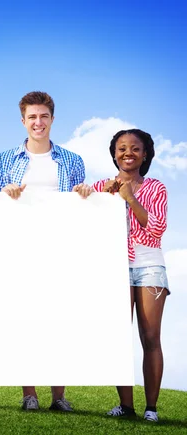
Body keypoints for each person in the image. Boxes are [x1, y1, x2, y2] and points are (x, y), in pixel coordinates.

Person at [0, 91, 85, 412]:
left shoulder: (72, 161)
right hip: (19, 249)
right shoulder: (4, 160)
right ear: (23, 121)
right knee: (26, 321)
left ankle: (58, 396)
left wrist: (83, 193)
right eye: (32, 117)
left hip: (59, 250)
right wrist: (5, 194)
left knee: (59, 321)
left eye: (44, 116)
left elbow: (80, 205)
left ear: (52, 119)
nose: (38, 122)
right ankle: (29, 394)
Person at [75, 129, 169, 423]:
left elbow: (156, 230)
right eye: (122, 148)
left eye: (135, 149)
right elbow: (84, 218)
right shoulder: (103, 186)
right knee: (119, 336)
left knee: (150, 336)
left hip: (148, 265)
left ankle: (150, 408)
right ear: (114, 153)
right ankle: (126, 406)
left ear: (145, 154)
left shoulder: (156, 187)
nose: (128, 153)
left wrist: (129, 198)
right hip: (115, 266)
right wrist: (87, 194)